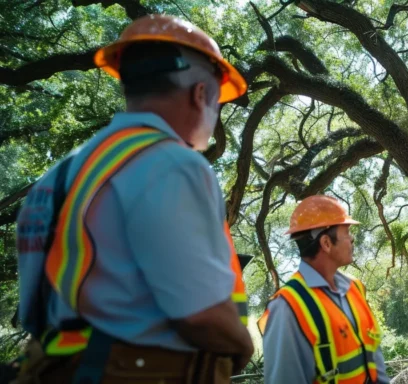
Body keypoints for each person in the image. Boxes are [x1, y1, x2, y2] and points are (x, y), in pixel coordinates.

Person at [14, 14, 252, 383]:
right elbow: (200, 313)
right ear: (201, 94)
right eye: (218, 101)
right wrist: (241, 345)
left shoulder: (56, 178)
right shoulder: (172, 163)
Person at [258, 195, 390, 384]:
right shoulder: (287, 308)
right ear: (326, 243)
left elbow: (374, 359)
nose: (352, 239)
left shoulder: (356, 288)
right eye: (347, 232)